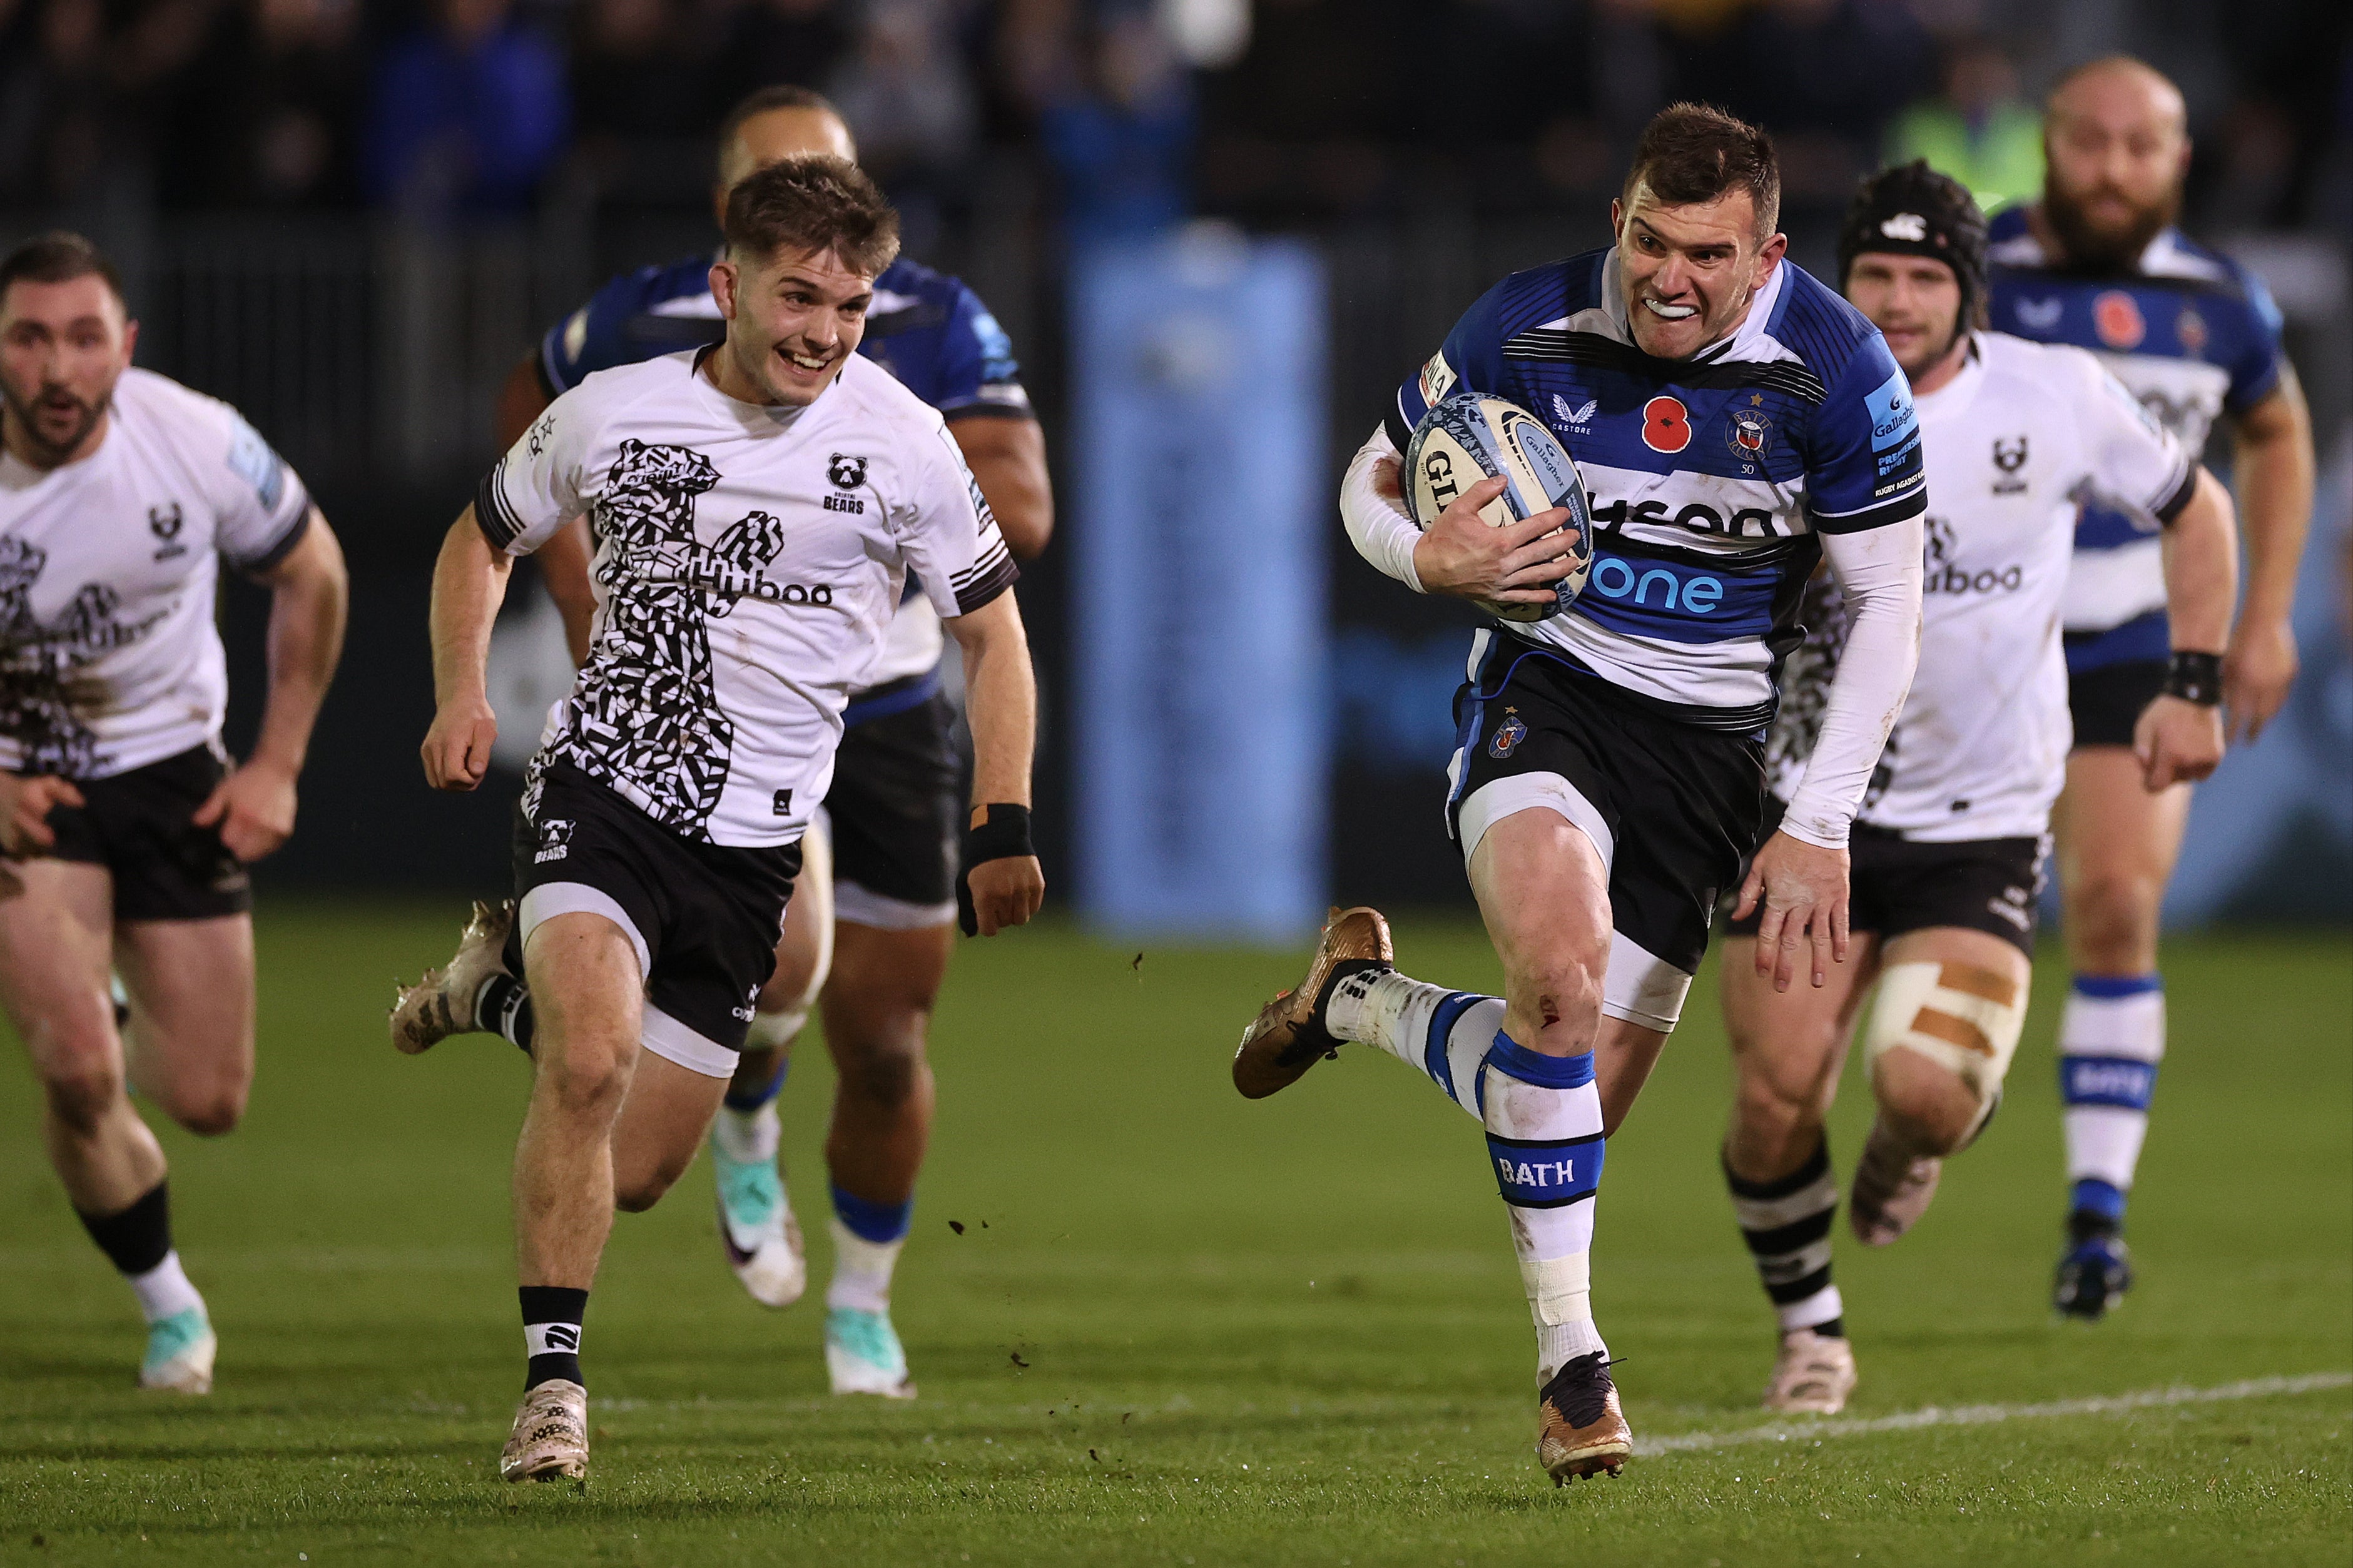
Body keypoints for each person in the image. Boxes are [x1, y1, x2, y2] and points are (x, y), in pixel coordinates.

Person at [1231, 104, 1928, 1484]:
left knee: (1562, 1107)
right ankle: (1575, 1375)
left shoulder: (1835, 366)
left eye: (1707, 256)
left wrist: (1819, 823)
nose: (1669, 279)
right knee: (1553, 978)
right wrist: (1421, 563)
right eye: (1649, 242)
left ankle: (1356, 1001)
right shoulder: (1526, 323)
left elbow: (1891, 601)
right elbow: (1374, 475)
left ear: (1767, 253)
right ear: (1619, 221)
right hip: (1551, 695)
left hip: (1720, 754)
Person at [395, 84, 1052, 1401]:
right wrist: (470, 684)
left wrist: (1006, 817)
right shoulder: (621, 382)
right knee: (597, 1061)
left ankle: (508, 1003)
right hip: (615, 778)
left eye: (847, 304)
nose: (824, 328)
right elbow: (488, 522)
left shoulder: (908, 426)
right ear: (728, 268)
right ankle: (551, 1395)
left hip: (842, 747)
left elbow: (1000, 613)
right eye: (796, 296)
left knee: (676, 1145)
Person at [1718, 163, 2237, 1415]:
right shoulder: (1776, 395)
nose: (1896, 301)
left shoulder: (2053, 396)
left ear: (1969, 290)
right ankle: (1812, 1331)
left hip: (1983, 824)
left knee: (1929, 1093)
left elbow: (2199, 508)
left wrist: (2197, 681)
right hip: (1808, 812)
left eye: (1925, 276)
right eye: (1877, 273)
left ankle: (1913, 1144)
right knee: (1775, 1096)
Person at [1985, 56, 2315, 1319]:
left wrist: (2266, 615)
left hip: (2130, 637)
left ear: (2183, 158)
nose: (2113, 169)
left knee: (2116, 901)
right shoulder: (1971, 276)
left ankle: (2094, 1220)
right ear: (2046, 145)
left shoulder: (2220, 301)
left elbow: (2277, 432)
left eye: (2142, 146)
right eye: (2089, 141)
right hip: (1972, 637)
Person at [0, 231, 348, 1394]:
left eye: (84, 338)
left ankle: (94, 1002)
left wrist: (276, 766)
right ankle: (169, 1304)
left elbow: (316, 572)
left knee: (205, 1099)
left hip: (167, 770)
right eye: (30, 338)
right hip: (19, 784)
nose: (58, 370)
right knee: (81, 1073)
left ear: (125, 346)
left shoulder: (191, 438)